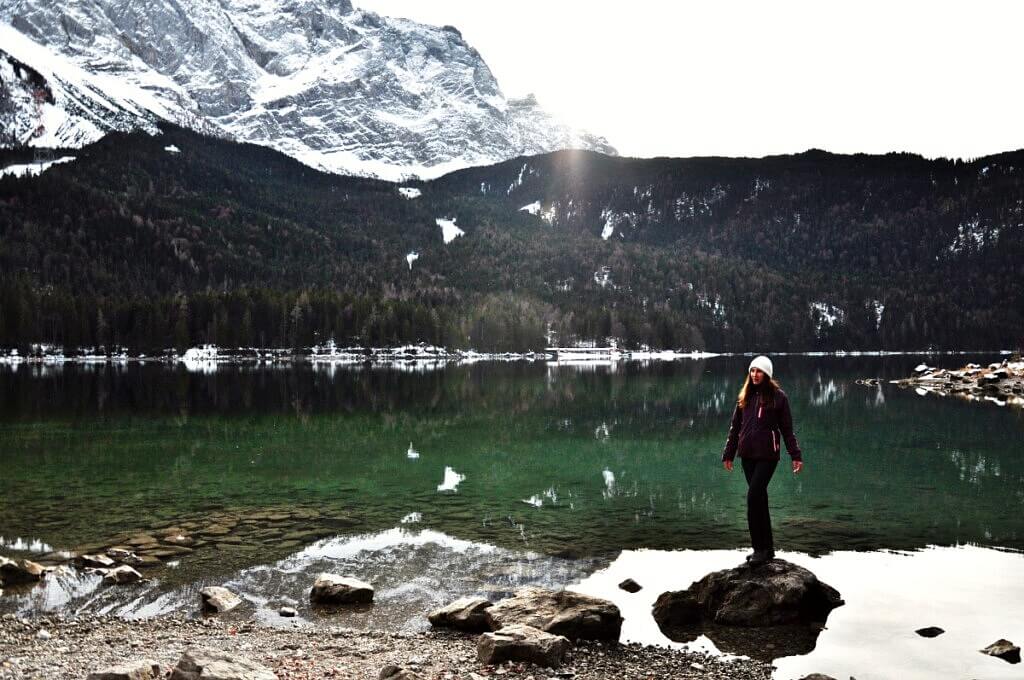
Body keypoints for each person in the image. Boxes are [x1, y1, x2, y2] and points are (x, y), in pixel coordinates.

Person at [722, 355, 803, 566]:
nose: (754, 375)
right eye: (752, 371)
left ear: (767, 374)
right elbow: (734, 428)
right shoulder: (744, 397)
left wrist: (795, 455)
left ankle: (759, 549)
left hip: (768, 456)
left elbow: (787, 429)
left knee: (753, 498)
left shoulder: (779, 397)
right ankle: (767, 549)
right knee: (760, 500)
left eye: (759, 371)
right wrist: (728, 453)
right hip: (747, 456)